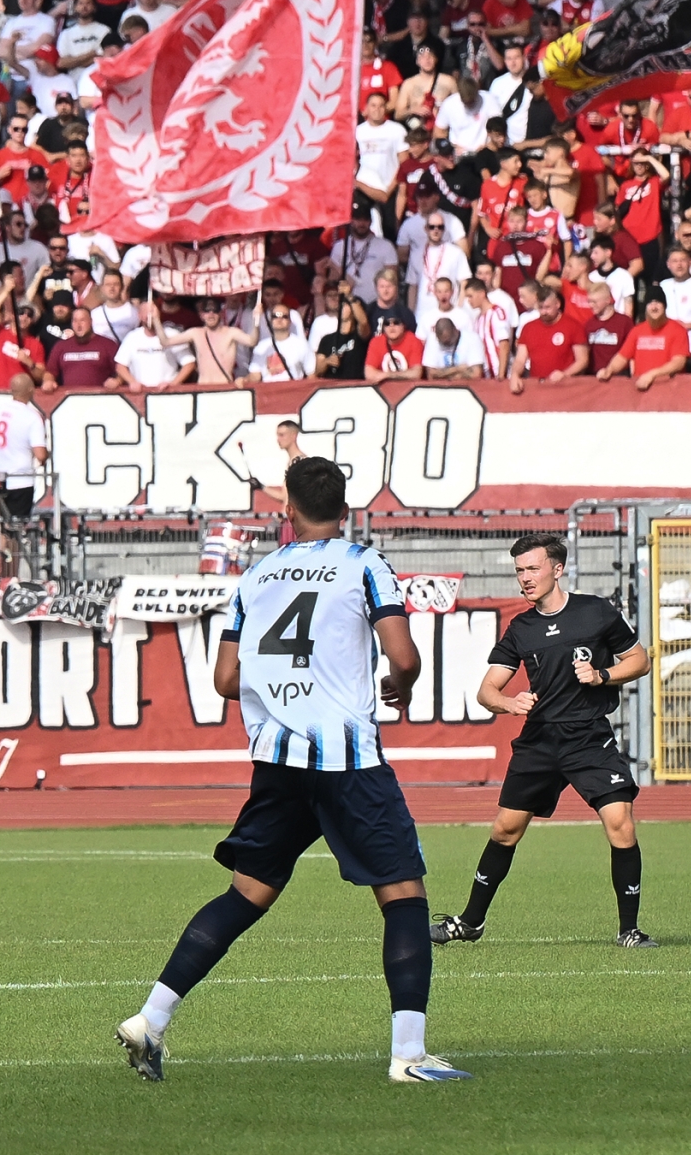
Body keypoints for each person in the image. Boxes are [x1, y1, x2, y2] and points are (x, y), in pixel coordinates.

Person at [115, 456, 464, 1085]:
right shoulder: (364, 563)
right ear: (345, 508)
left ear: (288, 510)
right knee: (404, 895)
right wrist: (401, 684)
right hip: (346, 759)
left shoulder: (256, 576)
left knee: (246, 893)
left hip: (277, 758)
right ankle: (409, 1056)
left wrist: (283, 685)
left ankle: (151, 1019)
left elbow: (225, 680)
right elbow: (404, 656)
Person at [434, 535, 655, 949]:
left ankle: (629, 930)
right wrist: (508, 702)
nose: (525, 577)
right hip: (540, 741)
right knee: (505, 831)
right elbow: (486, 691)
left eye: (532, 568)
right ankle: (470, 922)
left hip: (588, 737)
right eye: (519, 570)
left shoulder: (595, 611)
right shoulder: (522, 628)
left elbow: (639, 660)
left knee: (621, 824)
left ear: (557, 569)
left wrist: (603, 675)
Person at [0, 372, 46, 519]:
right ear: (31, 390)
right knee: (17, 526)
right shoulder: (31, 416)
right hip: (21, 480)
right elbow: (40, 454)